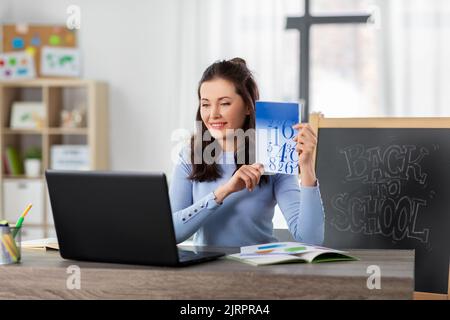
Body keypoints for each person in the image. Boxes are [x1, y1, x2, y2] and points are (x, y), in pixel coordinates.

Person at [169, 57, 324, 247]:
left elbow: (310, 238)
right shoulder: (190, 156)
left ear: (249, 107)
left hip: (259, 270)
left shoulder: (272, 156)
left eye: (224, 103)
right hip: (207, 271)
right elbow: (171, 233)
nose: (213, 114)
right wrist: (224, 191)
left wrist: (307, 166)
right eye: (206, 104)